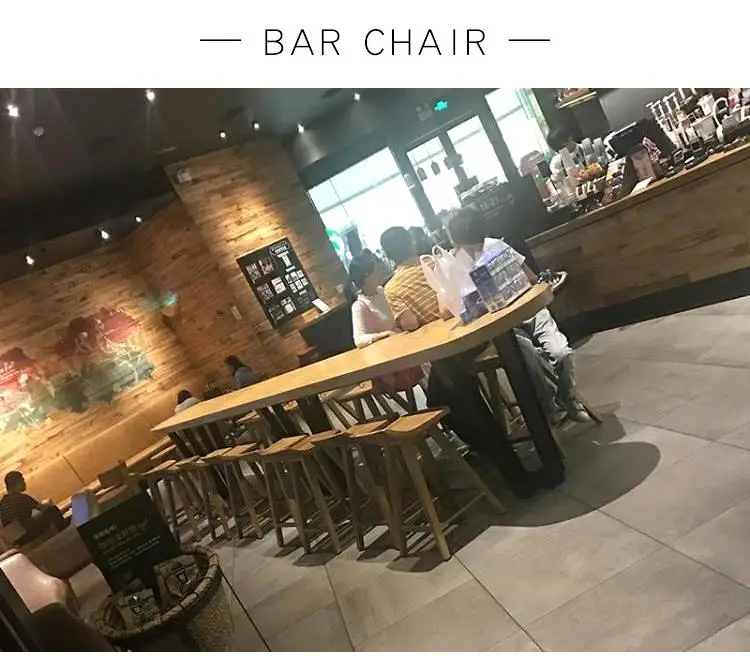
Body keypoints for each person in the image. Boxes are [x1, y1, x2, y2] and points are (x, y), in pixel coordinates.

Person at [380, 226, 541, 498]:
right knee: (446, 396)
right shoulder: (434, 261)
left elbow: (410, 323)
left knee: (450, 399)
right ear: (411, 244)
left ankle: (509, 469)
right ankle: (506, 462)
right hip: (476, 332)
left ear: (387, 256)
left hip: (450, 350)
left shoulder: (393, 288)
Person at [446, 206, 589, 423]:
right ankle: (547, 405)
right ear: (457, 242)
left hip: (531, 311)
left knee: (561, 352)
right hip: (503, 324)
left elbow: (531, 278)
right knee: (528, 357)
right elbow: (459, 306)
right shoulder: (456, 265)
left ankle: (567, 397)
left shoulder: (496, 245)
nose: (476, 249)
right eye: (470, 245)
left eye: (478, 242)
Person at [348, 250, 424, 393]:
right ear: (366, 274)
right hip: (393, 360)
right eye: (377, 266)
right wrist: (385, 334)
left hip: (406, 346)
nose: (381, 267)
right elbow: (359, 340)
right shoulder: (360, 305)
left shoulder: (381, 290)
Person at [0, 471, 67, 545]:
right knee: (52, 510)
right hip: (28, 533)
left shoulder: (2, 503)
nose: (24, 483)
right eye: (22, 480)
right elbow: (42, 508)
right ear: (17, 483)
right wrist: (47, 503)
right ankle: (65, 532)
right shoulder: (20, 497)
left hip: (17, 539)